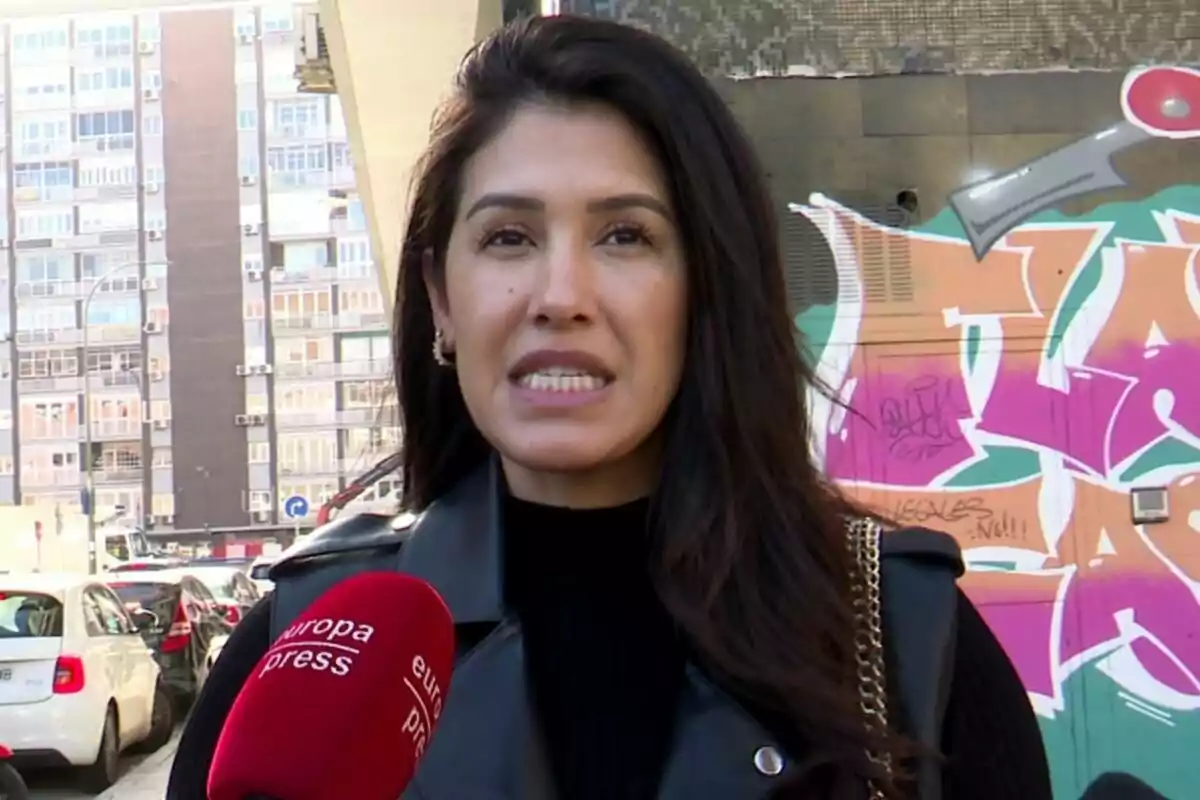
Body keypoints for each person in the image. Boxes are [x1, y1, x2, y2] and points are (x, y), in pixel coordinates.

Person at [167, 14, 1052, 800]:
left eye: (626, 235)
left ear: (707, 289)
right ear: (442, 298)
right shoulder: (303, 646)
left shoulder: (901, 637)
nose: (561, 294)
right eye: (508, 237)